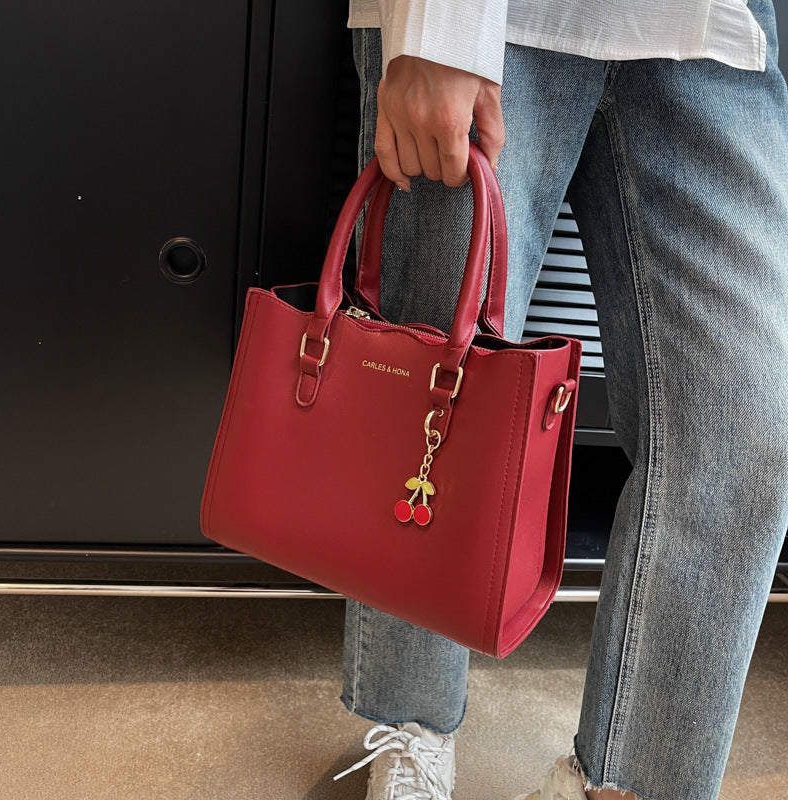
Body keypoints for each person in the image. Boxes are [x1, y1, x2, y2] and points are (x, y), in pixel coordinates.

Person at [332, 2, 788, 799]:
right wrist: (439, 26)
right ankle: (410, 729)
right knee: (436, 385)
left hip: (706, 30)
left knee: (742, 436)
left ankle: (622, 788)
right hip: (499, 23)